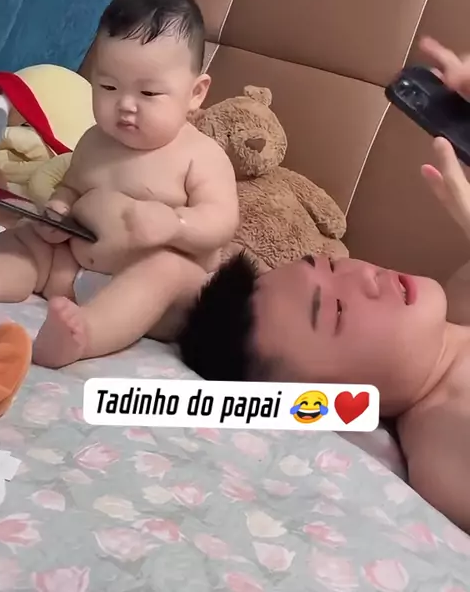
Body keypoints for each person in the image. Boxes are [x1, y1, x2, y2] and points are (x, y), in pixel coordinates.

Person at [177, 36, 470, 534]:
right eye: (335, 312)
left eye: (332, 268)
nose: (362, 276)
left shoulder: (462, 294)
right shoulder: (446, 447)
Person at [0, 0, 239, 368]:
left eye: (149, 94)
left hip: (152, 296)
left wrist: (176, 225)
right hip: (72, 266)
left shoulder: (201, 156)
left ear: (195, 93)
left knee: (167, 269)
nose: (125, 105)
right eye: (108, 86)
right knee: (24, 237)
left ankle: (82, 336)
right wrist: (59, 211)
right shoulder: (94, 140)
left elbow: (222, 220)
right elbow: (72, 187)